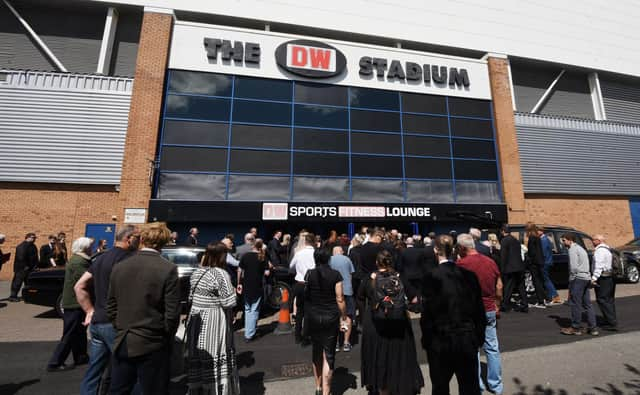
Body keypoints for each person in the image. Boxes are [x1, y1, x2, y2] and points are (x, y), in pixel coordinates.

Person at [107, 222, 180, 394]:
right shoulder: (168, 269)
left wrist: (120, 326)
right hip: (153, 342)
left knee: (119, 389)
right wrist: (166, 335)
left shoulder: (120, 266)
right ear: (164, 242)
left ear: (142, 240)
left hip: (123, 339)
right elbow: (172, 313)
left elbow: (111, 305)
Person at [75, 226, 138, 395]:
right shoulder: (130, 259)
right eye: (138, 237)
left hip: (97, 323)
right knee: (129, 370)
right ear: (129, 238)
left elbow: (79, 286)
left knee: (94, 370)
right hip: (115, 323)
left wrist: (89, 310)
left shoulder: (101, 259)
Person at [421, 235, 486, 395]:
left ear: (436, 250)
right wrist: (479, 336)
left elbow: (427, 314)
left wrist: (427, 340)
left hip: (441, 339)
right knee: (469, 386)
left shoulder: (431, 277)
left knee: (440, 386)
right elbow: (479, 310)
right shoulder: (469, 276)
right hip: (465, 337)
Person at [359, 250, 424, 395]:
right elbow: (414, 299)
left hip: (375, 322)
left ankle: (381, 386)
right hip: (399, 322)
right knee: (397, 356)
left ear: (377, 262)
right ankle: (399, 384)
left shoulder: (369, 279)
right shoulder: (400, 278)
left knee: (379, 357)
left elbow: (360, 298)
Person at [186, 242, 240, 395]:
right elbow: (229, 302)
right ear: (222, 255)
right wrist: (234, 292)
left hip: (196, 319)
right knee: (216, 356)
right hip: (213, 319)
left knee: (199, 359)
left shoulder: (197, 272)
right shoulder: (221, 274)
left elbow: (191, 297)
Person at [456, 234, 503, 395]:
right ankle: (496, 385)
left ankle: (478, 385)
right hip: (489, 308)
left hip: (471, 311)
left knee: (473, 349)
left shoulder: (461, 264)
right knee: (492, 347)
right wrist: (497, 304)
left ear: (462, 248)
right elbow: (499, 286)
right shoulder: (490, 262)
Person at [305, 249, 347, 395]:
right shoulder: (336, 274)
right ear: (329, 259)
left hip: (314, 316)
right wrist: (343, 317)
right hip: (330, 316)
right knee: (328, 355)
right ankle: (326, 391)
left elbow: (306, 295)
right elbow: (340, 298)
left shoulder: (309, 274)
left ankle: (318, 387)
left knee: (316, 352)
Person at [47, 237, 93, 372]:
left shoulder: (78, 260)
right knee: (70, 333)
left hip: (75, 302)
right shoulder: (79, 262)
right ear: (84, 248)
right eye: (90, 246)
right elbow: (85, 280)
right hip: (74, 303)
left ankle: (81, 357)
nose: (91, 249)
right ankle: (55, 362)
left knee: (79, 332)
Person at [560, 233, 598, 336]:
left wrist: (571, 281)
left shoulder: (572, 249)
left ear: (569, 240)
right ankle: (593, 328)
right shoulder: (581, 249)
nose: (563, 243)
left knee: (575, 303)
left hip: (578, 279)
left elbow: (573, 267)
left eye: (563, 240)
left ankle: (575, 327)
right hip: (586, 278)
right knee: (587, 304)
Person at [237, 239, 269, 342]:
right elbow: (267, 273)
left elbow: (239, 270)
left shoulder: (245, 256)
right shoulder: (262, 257)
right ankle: (250, 333)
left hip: (246, 285)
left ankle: (249, 331)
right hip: (257, 286)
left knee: (247, 309)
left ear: (252, 246)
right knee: (254, 309)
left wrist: (239, 283)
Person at [289, 232, 316, 343]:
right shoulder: (315, 253)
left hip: (299, 284)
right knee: (310, 311)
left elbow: (291, 266)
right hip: (312, 284)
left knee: (300, 311)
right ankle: (306, 336)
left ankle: (297, 336)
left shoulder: (299, 253)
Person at [329, 246, 355, 352]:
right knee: (347, 316)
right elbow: (351, 274)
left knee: (334, 316)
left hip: (333, 291)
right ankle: (346, 342)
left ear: (333, 252)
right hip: (347, 290)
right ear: (341, 252)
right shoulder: (347, 259)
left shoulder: (329, 260)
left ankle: (335, 343)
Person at [592, 234, 618, 331]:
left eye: (593, 240)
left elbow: (599, 266)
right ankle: (610, 320)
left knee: (602, 299)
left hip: (603, 278)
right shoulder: (608, 250)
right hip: (610, 277)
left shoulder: (600, 251)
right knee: (609, 299)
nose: (592, 242)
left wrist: (594, 278)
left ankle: (611, 323)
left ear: (599, 241)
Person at [500, 225, 528, 313]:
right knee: (521, 286)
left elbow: (503, 256)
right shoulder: (515, 240)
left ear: (503, 231)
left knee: (508, 287)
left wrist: (502, 268)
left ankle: (505, 305)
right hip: (519, 266)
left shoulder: (504, 240)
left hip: (510, 267)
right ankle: (525, 304)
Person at [9, 232, 38, 302]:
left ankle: (27, 296)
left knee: (28, 283)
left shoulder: (33, 246)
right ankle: (13, 296)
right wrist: (25, 266)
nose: (34, 239)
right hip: (21, 269)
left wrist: (36, 265)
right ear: (27, 238)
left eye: (35, 238)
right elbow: (20, 257)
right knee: (17, 282)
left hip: (31, 268)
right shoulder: (22, 246)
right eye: (33, 238)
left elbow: (35, 256)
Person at [525, 223, 547, 308]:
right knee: (540, 281)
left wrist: (528, 259)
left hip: (534, 263)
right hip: (540, 261)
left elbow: (532, 252)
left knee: (536, 281)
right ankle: (544, 298)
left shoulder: (531, 238)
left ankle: (541, 301)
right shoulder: (537, 237)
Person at [539, 227, 562, 304]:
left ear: (541, 231)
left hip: (545, 262)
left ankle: (555, 296)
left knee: (546, 280)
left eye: (537, 231)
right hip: (548, 262)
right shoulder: (545, 239)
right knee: (546, 279)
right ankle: (550, 296)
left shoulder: (544, 240)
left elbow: (543, 253)